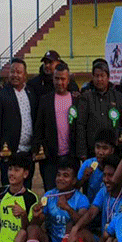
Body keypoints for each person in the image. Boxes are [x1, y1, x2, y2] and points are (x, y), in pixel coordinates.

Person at [14, 156, 90, 242]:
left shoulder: (81, 199)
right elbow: (36, 224)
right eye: (58, 175)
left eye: (66, 176)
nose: (60, 178)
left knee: (71, 225)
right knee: (32, 228)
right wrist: (36, 216)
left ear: (74, 180)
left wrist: (68, 208)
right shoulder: (49, 195)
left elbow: (83, 223)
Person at [0, 57, 37, 189]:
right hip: (9, 152)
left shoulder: (32, 93)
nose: (15, 75)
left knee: (26, 189)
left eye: (19, 72)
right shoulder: (0, 94)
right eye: (12, 72)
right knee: (9, 188)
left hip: (28, 153)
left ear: (25, 75)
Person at [33, 62, 76, 191]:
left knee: (70, 193)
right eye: (57, 78)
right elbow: (39, 128)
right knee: (51, 193)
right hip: (50, 158)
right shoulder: (45, 100)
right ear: (53, 79)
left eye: (63, 79)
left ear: (68, 80)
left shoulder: (76, 100)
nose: (59, 82)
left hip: (70, 156)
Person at [76, 60, 122, 159]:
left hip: (114, 151)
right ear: (92, 77)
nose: (99, 79)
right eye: (96, 76)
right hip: (92, 151)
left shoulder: (118, 97)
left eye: (102, 76)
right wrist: (82, 152)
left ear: (108, 77)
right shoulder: (86, 97)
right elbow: (80, 125)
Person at [76, 128, 116, 202]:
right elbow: (75, 188)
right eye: (98, 147)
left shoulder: (117, 166)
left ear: (112, 150)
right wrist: (84, 178)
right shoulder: (88, 164)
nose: (100, 152)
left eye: (105, 148)